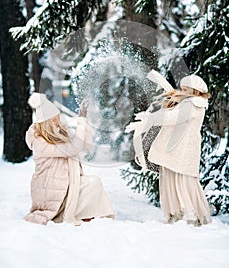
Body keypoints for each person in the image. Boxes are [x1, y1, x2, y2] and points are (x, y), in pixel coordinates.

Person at [126, 70, 211, 226]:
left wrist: (150, 119)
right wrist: (147, 121)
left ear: (194, 90)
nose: (182, 91)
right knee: (171, 177)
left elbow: (173, 117)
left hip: (184, 147)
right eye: (183, 88)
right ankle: (176, 212)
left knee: (182, 179)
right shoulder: (186, 102)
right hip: (176, 148)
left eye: (186, 89)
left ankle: (189, 213)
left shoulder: (195, 103)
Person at [25, 92, 115, 226]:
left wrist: (86, 120)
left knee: (93, 183)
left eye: (58, 117)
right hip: (52, 190)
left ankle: (86, 212)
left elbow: (85, 145)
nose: (58, 121)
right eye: (54, 119)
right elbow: (73, 148)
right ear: (46, 122)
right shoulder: (39, 142)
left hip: (66, 183)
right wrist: (81, 120)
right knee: (92, 183)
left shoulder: (60, 132)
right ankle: (75, 212)